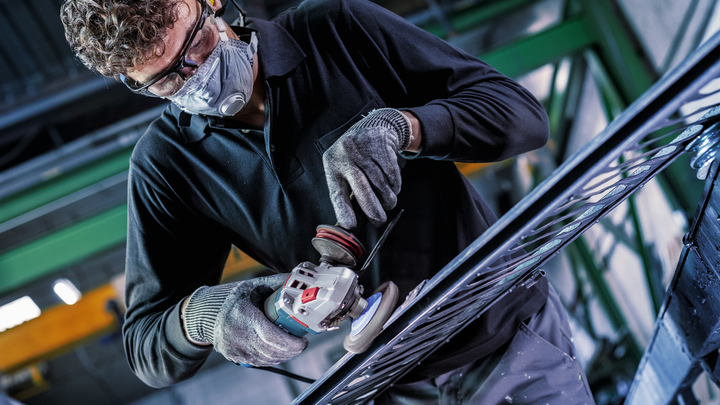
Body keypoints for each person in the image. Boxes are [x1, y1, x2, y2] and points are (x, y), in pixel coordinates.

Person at [60, 0, 594, 403]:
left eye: (195, 42)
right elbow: (145, 345)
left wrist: (403, 127)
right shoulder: (168, 166)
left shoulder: (336, 30)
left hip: (508, 339)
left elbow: (522, 115)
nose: (195, 74)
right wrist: (204, 318)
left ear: (210, 1)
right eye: (166, 80)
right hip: (392, 384)